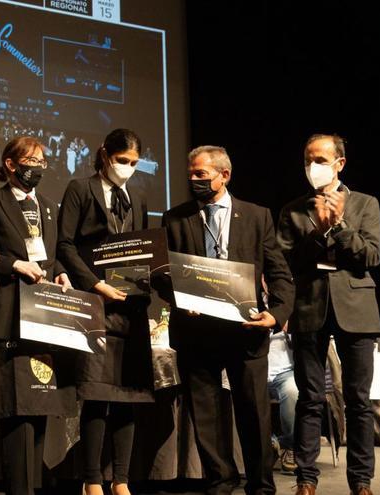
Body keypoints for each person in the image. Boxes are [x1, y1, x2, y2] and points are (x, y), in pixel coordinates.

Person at [162, 145, 294, 495]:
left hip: (246, 328)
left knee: (254, 413)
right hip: (196, 329)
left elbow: (279, 272)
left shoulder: (256, 216)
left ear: (224, 175)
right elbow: (163, 274)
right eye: (190, 174)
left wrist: (277, 314)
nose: (193, 180)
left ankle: (261, 485)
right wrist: (178, 299)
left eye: (201, 174)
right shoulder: (175, 218)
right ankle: (220, 481)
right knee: (205, 415)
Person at [277, 134, 380, 495]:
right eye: (308, 160)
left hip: (356, 309)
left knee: (358, 400)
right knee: (309, 397)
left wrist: (338, 227)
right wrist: (318, 233)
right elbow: (286, 262)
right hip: (309, 308)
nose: (312, 167)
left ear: (340, 163)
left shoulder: (366, 204)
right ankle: (307, 479)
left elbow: (370, 256)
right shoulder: (292, 210)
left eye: (320, 159)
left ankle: (361, 480)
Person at [0, 136, 76, 495]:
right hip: (8, 316)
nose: (39, 166)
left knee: (40, 400)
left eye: (43, 160)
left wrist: (61, 271)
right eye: (31, 160)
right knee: (15, 407)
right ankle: (18, 487)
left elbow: (53, 252)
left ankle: (34, 486)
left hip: (45, 316)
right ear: (12, 164)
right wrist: (14, 264)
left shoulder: (50, 205)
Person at [57, 128, 155, 495]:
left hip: (130, 304)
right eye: (121, 161)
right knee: (97, 394)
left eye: (133, 163)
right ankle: (92, 479)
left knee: (128, 394)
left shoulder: (139, 196)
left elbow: (142, 248)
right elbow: (65, 245)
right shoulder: (80, 189)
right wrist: (95, 284)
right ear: (104, 155)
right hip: (96, 300)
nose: (127, 168)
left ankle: (122, 479)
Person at [267, 326, 298, 475]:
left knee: (292, 391)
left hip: (285, 372)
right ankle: (271, 442)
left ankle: (288, 446)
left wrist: (289, 329)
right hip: (255, 371)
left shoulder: (285, 307)